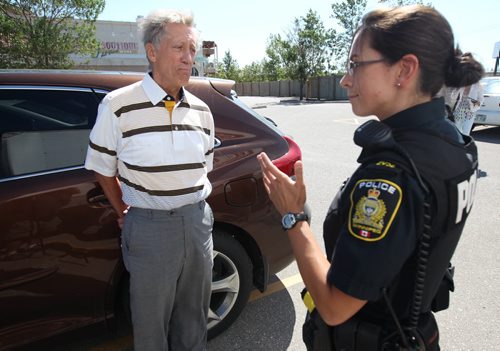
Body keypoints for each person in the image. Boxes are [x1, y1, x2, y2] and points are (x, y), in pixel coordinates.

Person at [257, 5, 478, 350]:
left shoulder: (390, 177)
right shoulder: (455, 141)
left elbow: (333, 306)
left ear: (404, 69)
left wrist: (294, 217)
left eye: (356, 64)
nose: (346, 78)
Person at [85, 9, 215, 351]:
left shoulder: (202, 110)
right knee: (150, 325)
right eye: (179, 48)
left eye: (192, 49)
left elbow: (203, 168)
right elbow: (101, 166)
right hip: (150, 227)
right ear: (152, 51)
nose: (189, 58)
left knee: (194, 320)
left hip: (197, 222)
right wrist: (122, 209)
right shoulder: (118, 105)